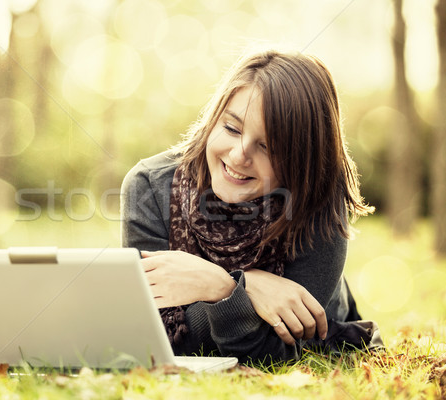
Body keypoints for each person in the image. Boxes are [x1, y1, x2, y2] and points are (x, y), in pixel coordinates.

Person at [120, 50, 382, 364]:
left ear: (303, 161)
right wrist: (247, 286)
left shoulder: (320, 196)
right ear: (214, 118)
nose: (239, 155)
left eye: (268, 147)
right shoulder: (149, 186)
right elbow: (158, 333)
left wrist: (222, 287)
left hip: (325, 336)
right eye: (231, 129)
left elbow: (277, 350)